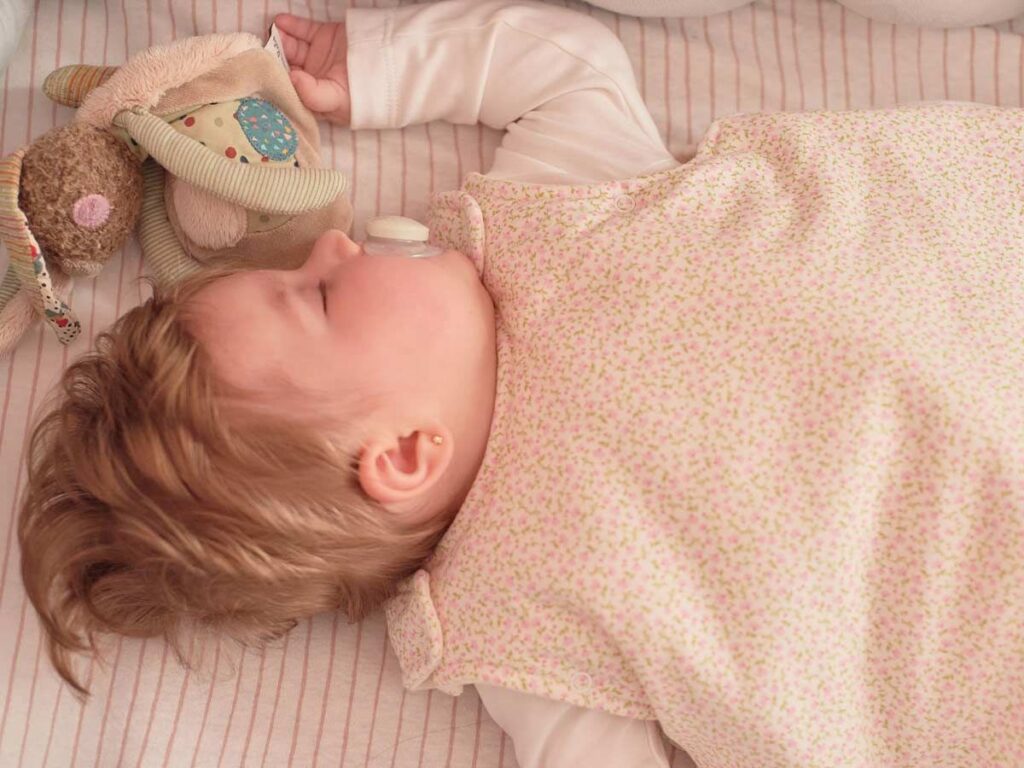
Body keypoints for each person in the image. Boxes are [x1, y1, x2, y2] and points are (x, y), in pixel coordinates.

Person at [18, 2, 1024, 767]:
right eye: (319, 296)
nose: (331, 243)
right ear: (402, 455)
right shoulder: (516, 633)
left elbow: (567, 66)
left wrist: (382, 66)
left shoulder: (549, 213)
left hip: (974, 271)